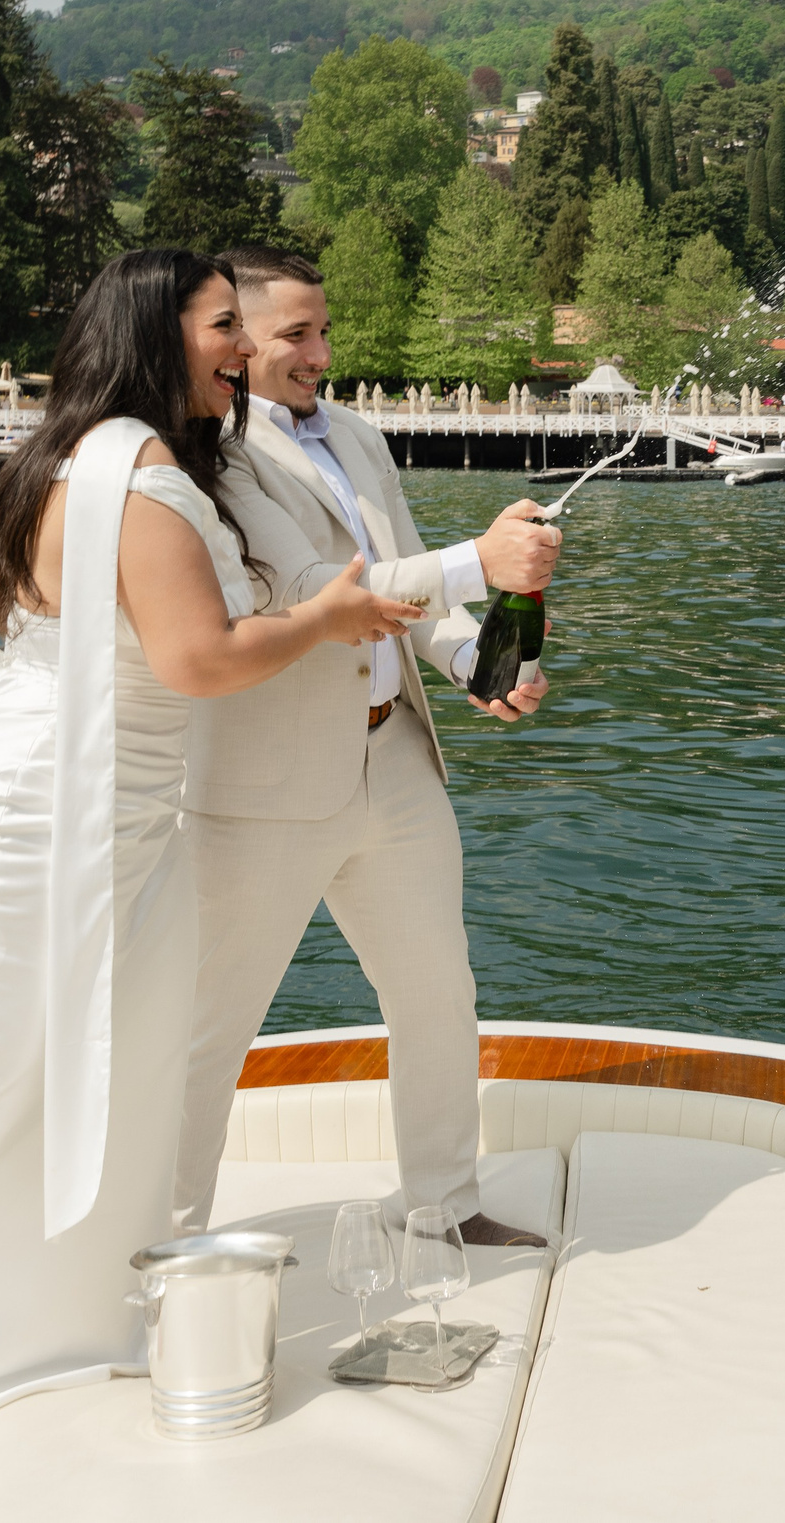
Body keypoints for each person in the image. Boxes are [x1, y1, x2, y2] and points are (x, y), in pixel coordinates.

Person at [0, 251, 422, 1506]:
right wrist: (330, 622)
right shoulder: (138, 480)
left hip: (113, 806)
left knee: (125, 1062)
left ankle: (46, 1328)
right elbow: (198, 661)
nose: (246, 348)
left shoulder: (132, 459)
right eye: (224, 327)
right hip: (24, 813)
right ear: (157, 336)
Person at [169, 247, 559, 1251]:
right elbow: (311, 591)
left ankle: (442, 1206)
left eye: (323, 329)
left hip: (393, 761)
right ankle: (162, 1249)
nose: (320, 353)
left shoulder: (356, 434)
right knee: (214, 1028)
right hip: (264, 784)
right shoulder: (213, 451)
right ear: (234, 338)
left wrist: (475, 655)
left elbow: (397, 589)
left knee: (437, 987)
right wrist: (480, 560)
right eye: (296, 334)